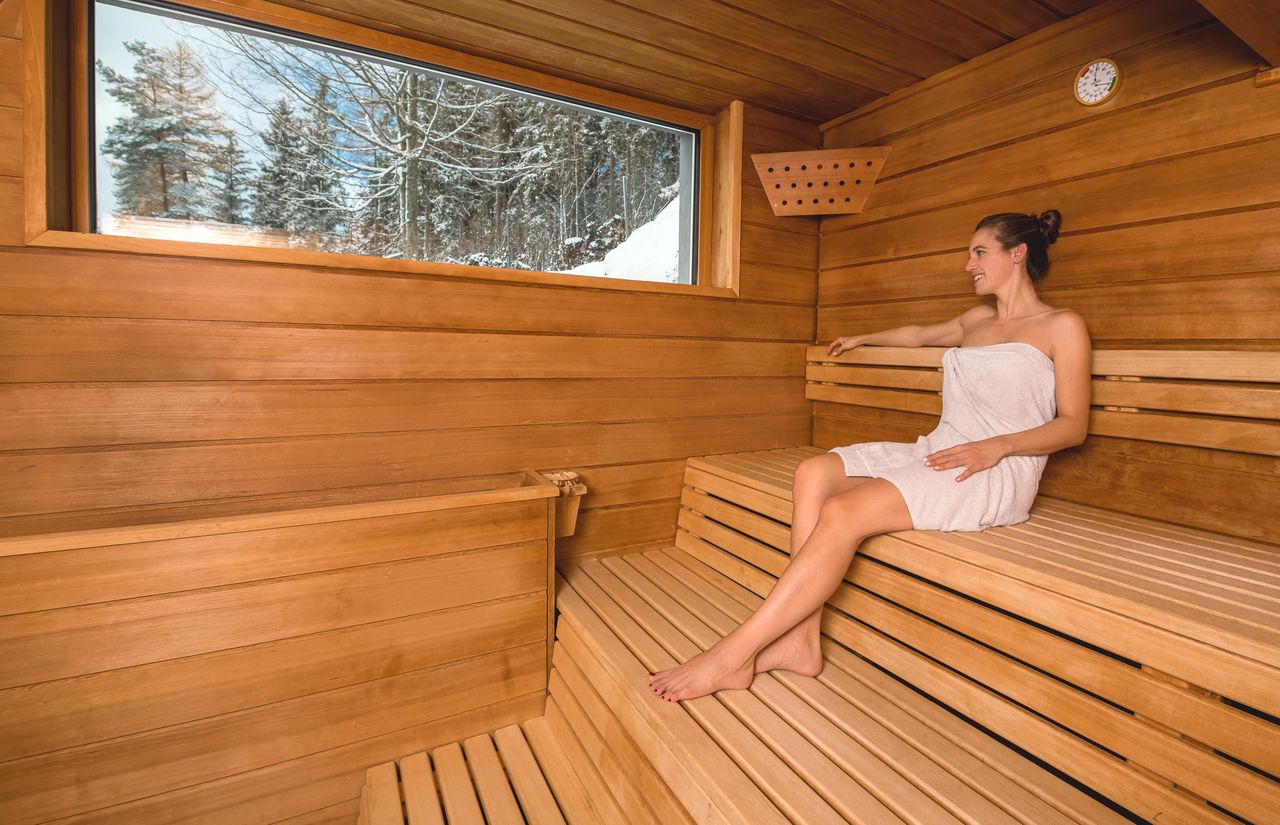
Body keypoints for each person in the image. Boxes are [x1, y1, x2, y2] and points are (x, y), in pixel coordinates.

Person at [647, 209, 1092, 702]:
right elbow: (920, 335)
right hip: (941, 450)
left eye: (979, 252)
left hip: (994, 469)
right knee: (814, 472)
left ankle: (732, 656)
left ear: (1018, 253)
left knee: (843, 511)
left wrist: (998, 446)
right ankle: (800, 639)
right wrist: (864, 338)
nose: (968, 265)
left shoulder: (1061, 325)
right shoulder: (977, 320)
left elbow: (1073, 425)